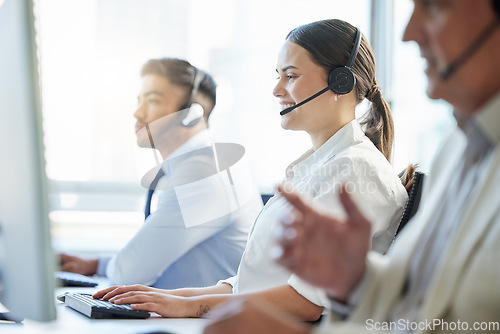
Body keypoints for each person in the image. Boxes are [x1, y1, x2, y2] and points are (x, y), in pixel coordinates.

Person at [203, 0, 500, 333]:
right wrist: (353, 282)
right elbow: (415, 308)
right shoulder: (458, 150)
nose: (407, 33)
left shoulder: (355, 169)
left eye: (435, 7)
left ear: (340, 82)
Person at [92, 19, 409, 321]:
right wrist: (166, 298)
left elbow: (307, 301)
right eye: (278, 75)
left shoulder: (355, 172)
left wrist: (187, 307)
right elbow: (255, 281)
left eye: (291, 76)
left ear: (340, 81)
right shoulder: (320, 166)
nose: (277, 90)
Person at [59, 58, 263, 289]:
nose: (138, 113)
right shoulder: (199, 161)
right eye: (139, 100)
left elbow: (129, 275)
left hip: (205, 322)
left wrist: (108, 267)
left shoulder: (203, 173)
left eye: (153, 100)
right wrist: (96, 265)